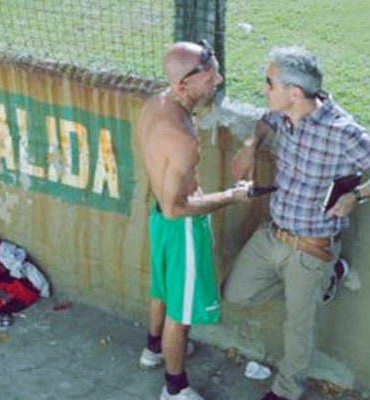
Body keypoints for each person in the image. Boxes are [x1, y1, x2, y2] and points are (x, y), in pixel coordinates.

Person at [225, 46, 370, 400]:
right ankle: (324, 282)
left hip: (311, 249)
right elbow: (266, 120)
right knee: (235, 292)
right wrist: (251, 146)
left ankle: (286, 391)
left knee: (297, 328)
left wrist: (357, 195)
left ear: (294, 93)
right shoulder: (285, 114)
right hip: (272, 235)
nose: (264, 89)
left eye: (270, 83)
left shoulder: (342, 133)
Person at [136, 41, 253, 400]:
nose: (217, 80)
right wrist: (232, 196)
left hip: (159, 219)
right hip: (180, 224)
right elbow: (177, 208)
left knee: (162, 288)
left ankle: (152, 350)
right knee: (181, 312)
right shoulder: (184, 140)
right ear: (183, 85)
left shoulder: (156, 103)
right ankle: (175, 388)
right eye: (210, 76)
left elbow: (165, 203)